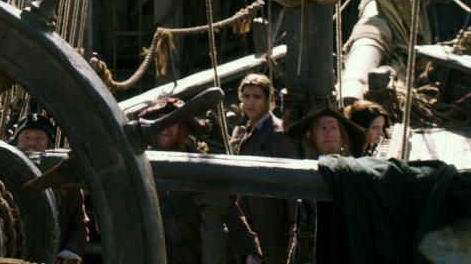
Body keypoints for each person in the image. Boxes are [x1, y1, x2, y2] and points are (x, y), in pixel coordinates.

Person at [141, 96, 264, 264]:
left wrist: (249, 252)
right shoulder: (139, 165)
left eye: (173, 122)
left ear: (184, 128)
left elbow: (229, 213)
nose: (166, 127)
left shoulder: (200, 166)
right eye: (160, 121)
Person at [230, 74, 298, 264]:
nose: (250, 102)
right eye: (246, 96)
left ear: (269, 100)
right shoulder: (250, 131)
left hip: (274, 224)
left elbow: (294, 184)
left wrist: (295, 230)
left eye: (257, 97)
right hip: (252, 222)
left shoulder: (278, 134)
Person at [12, 113, 91, 264]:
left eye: (39, 138)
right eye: (26, 137)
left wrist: (70, 253)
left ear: (49, 143)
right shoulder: (3, 173)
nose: (32, 143)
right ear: (17, 141)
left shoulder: (65, 179)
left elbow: (79, 225)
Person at [286, 105, 364, 159]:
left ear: (342, 135)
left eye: (333, 128)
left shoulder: (356, 169)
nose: (329, 134)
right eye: (323, 128)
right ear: (311, 136)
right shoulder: (301, 169)